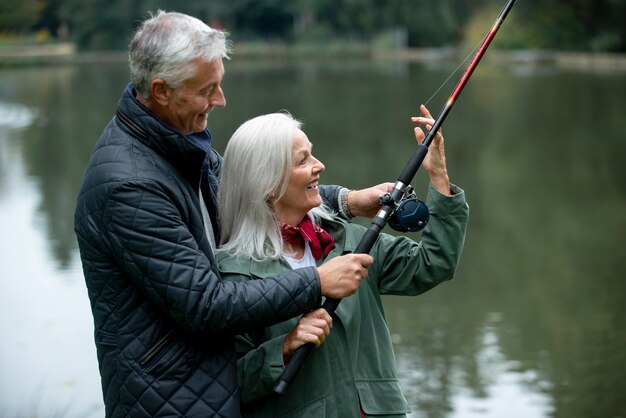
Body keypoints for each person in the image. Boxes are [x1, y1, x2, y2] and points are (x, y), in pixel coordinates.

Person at [74, 11, 391, 418]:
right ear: (161, 90)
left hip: (211, 384)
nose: (221, 100)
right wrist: (316, 281)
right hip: (169, 399)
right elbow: (204, 304)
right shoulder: (128, 186)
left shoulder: (183, 145)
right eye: (208, 89)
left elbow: (258, 195)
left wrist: (346, 201)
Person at [216, 109, 469, 418]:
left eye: (313, 155)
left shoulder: (345, 239)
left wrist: (438, 174)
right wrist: (284, 348)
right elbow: (225, 386)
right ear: (267, 182)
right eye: (303, 161)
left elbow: (434, 263)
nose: (319, 166)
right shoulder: (234, 274)